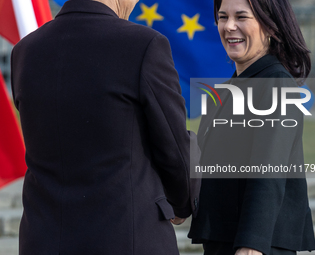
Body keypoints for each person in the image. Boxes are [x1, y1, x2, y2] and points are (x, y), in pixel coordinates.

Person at [11, 0, 201, 254]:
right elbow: (175, 148)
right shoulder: (144, 45)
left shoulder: (24, 51)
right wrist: (182, 201)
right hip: (125, 239)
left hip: (43, 241)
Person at [188, 0, 315, 255]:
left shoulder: (276, 84)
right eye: (223, 17)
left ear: (270, 27)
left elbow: (268, 171)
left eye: (241, 17)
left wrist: (251, 244)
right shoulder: (225, 92)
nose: (229, 26)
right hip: (224, 240)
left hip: (255, 245)